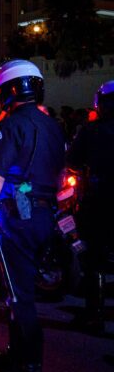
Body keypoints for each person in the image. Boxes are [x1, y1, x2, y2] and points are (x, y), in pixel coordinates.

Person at [0, 59, 65, 372]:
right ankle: (17, 356)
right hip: (44, 215)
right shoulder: (52, 124)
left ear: (7, 91)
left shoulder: (13, 124)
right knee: (22, 292)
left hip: (19, 218)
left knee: (19, 298)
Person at [66, 80, 114, 334]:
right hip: (100, 197)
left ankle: (94, 314)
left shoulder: (91, 131)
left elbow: (72, 161)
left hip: (99, 199)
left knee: (93, 257)